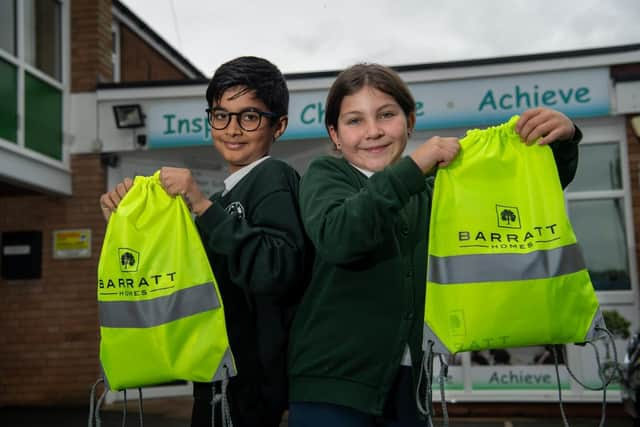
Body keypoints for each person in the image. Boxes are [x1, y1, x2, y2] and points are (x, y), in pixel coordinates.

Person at [287, 63, 582, 426]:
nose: (374, 131)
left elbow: (521, 193)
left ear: (410, 122)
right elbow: (340, 238)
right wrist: (414, 167)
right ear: (334, 134)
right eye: (354, 121)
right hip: (331, 388)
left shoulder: (435, 190)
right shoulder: (326, 175)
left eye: (387, 115)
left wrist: (564, 140)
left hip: (413, 385)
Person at [100, 56, 312, 427]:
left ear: (278, 126)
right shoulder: (222, 202)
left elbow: (278, 270)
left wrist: (199, 204)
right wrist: (125, 223)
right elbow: (183, 273)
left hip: (252, 381)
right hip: (219, 375)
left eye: (250, 117)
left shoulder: (272, 177)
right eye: (221, 115)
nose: (232, 129)